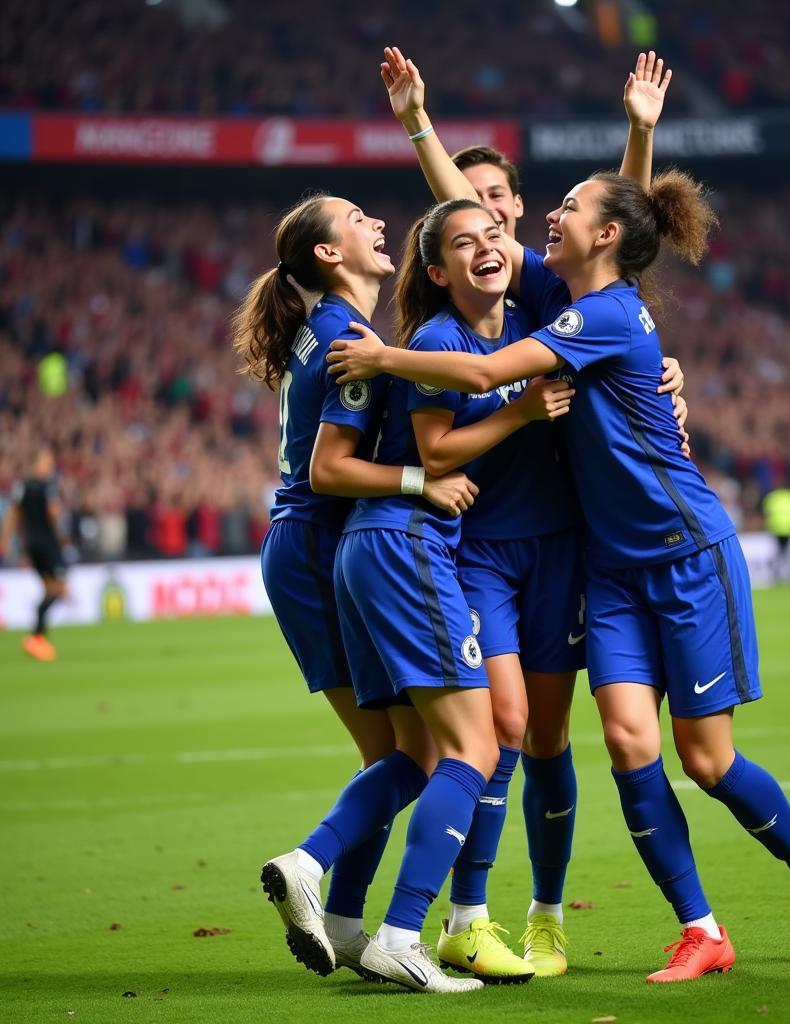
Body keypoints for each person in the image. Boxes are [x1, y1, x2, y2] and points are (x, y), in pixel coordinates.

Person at [328, 168, 790, 983]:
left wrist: (382, 353)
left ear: (604, 236)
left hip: (684, 556)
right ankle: (702, 930)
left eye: (566, 207)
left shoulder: (603, 311)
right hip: (609, 572)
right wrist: (420, 126)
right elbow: (469, 232)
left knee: (707, 762)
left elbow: (487, 373)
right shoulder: (568, 297)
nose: (541, 216)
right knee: (627, 743)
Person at [377, 44, 686, 977]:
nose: (497, 222)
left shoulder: (551, 290)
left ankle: (544, 913)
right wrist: (418, 124)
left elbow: (618, 233)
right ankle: (468, 913)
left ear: (521, 212)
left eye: (504, 203)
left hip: (567, 546)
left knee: (546, 736)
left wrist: (638, 133)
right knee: (502, 725)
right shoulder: (466, 305)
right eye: (475, 215)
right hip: (481, 549)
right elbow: (458, 219)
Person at [231, 192, 476, 981]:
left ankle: (340, 919)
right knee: (420, 751)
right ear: (329, 256)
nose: (377, 223)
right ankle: (312, 863)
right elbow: (328, 469)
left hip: (309, 547)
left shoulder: (330, 332)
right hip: (315, 543)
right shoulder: (345, 334)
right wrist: (420, 481)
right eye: (357, 218)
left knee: (394, 750)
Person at [334, 197, 576, 992]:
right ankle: (425, 924)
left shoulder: (528, 323)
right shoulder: (439, 337)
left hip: (446, 550)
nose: (487, 248)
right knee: (476, 744)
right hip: (423, 547)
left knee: (459, 746)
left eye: (496, 236)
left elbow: (622, 244)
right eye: (463, 245)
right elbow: (437, 452)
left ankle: (340, 894)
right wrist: (521, 411)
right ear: (438, 272)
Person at [1, 448, 68, 662]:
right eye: (47, 460)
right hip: (48, 543)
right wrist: (62, 537)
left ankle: (39, 640)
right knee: (59, 590)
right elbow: (53, 513)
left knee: (49, 589)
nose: (50, 465)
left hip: (31, 544)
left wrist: (5, 540)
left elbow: (12, 514)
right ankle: (36, 637)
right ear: (36, 462)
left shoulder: (21, 486)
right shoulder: (48, 486)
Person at [763, 486, 790, 584]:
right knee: (784, 554)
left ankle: (787, 575)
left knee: (784, 554)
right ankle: (782, 575)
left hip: (786, 529)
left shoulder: (773, 497)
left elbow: (766, 514)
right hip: (783, 529)